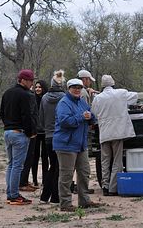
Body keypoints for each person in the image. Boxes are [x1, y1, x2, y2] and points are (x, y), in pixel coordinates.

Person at [53, 78, 103, 212]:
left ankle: (84, 201)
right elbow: (64, 121)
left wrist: (91, 117)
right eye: (74, 87)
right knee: (66, 175)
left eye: (79, 87)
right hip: (66, 144)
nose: (77, 89)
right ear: (68, 88)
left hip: (81, 144)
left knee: (84, 172)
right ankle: (65, 204)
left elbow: (90, 116)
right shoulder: (64, 103)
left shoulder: (82, 101)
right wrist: (82, 117)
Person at [91, 75, 138, 196]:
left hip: (104, 133)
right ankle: (113, 188)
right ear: (113, 84)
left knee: (105, 161)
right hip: (117, 133)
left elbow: (94, 114)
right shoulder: (121, 93)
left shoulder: (98, 98)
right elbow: (135, 97)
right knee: (117, 161)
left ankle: (105, 186)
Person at [0, 69, 37, 205]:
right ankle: (14, 195)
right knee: (17, 165)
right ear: (22, 80)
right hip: (19, 133)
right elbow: (27, 115)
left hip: (8, 132)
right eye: (30, 80)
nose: (32, 83)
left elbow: (2, 113)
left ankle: (11, 194)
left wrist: (8, 125)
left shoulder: (7, 93)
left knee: (11, 164)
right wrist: (30, 132)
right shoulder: (26, 95)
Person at [39, 70, 66, 204]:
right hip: (61, 136)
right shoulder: (64, 98)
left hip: (48, 136)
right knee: (59, 167)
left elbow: (41, 118)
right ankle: (55, 196)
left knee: (52, 165)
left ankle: (45, 196)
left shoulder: (44, 98)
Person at [32, 80, 49, 187]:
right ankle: (34, 179)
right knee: (35, 156)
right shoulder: (32, 98)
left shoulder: (46, 99)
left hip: (45, 131)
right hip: (35, 132)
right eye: (36, 87)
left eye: (40, 87)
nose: (37, 89)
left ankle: (45, 180)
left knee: (45, 156)